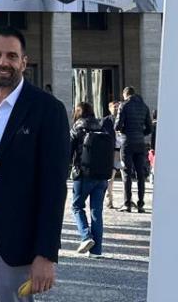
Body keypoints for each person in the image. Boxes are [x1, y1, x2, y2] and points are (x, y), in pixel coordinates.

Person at [0, 26, 69, 302]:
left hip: (15, 238)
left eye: (11, 56)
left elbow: (54, 188)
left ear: (24, 62)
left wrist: (46, 254)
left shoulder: (47, 109)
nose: (3, 62)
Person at [69, 102, 114, 258]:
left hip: (83, 175)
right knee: (97, 212)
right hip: (101, 176)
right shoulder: (101, 127)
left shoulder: (77, 128)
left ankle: (86, 236)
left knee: (77, 207)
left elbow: (68, 151)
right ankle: (96, 251)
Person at [115, 86, 152, 213]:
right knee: (140, 174)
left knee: (126, 173)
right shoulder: (144, 106)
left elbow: (117, 126)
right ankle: (141, 204)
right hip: (140, 143)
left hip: (127, 142)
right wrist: (140, 133)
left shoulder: (124, 106)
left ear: (125, 94)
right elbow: (149, 128)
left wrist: (123, 131)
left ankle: (127, 203)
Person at [105, 101, 122, 209]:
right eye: (114, 107)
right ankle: (109, 200)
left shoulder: (125, 118)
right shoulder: (106, 121)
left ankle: (128, 201)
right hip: (113, 151)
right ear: (109, 108)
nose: (116, 109)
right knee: (110, 177)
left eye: (118, 107)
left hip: (123, 151)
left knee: (126, 177)